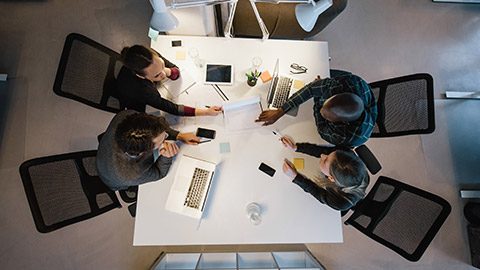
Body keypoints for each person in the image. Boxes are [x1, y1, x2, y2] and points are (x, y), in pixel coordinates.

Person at [256, 70, 377, 148]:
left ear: (343, 122)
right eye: (326, 103)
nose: (321, 112)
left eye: (326, 115)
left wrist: (318, 102)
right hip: (352, 86)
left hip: (353, 133)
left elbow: (321, 129)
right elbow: (311, 89)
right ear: (336, 94)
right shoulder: (345, 83)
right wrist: (280, 111)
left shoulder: (344, 135)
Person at [96, 110, 197, 191]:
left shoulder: (126, 116)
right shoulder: (132, 174)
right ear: (146, 151)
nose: (167, 135)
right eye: (163, 139)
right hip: (112, 178)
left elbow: (156, 129)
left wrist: (179, 136)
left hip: (106, 154)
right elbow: (159, 173)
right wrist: (166, 157)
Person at [116, 45, 222, 116]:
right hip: (138, 106)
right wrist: (205, 112)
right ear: (141, 76)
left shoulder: (150, 58)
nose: (163, 75)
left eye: (162, 64)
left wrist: (165, 71)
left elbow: (176, 72)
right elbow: (170, 108)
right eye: (157, 75)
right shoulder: (142, 90)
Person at [280, 136, 369, 211]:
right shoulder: (345, 155)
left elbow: (317, 193)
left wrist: (295, 177)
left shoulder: (340, 202)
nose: (322, 155)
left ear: (331, 178)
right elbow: (324, 151)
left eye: (325, 160)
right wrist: (296, 147)